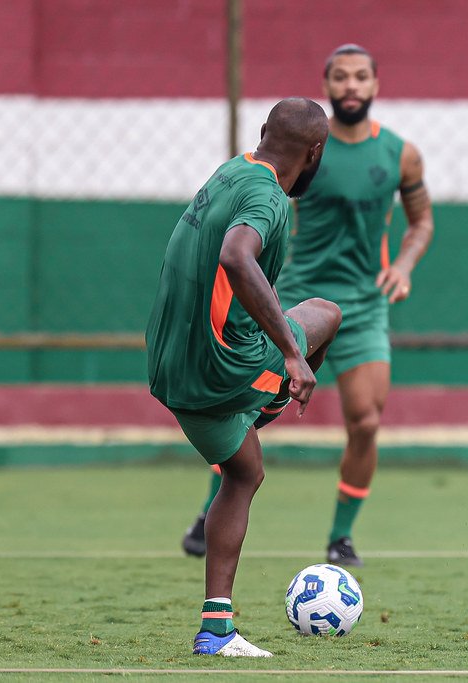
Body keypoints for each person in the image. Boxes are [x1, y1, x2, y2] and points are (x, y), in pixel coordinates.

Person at [181, 43, 434, 567]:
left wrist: (404, 265)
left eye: (361, 76)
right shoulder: (304, 146)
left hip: (364, 305)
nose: (351, 86)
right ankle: (209, 516)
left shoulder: (401, 154)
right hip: (292, 295)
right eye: (340, 77)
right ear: (327, 85)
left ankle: (341, 538)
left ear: (375, 85)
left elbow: (422, 221)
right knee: (244, 409)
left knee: (365, 421)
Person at [147, 97, 341, 657]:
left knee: (245, 472)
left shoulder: (228, 171)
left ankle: (216, 630)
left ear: (261, 134)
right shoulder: (270, 198)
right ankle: (269, 403)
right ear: (315, 153)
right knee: (326, 315)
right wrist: (292, 354)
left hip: (167, 367)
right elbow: (237, 254)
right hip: (220, 370)